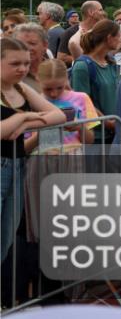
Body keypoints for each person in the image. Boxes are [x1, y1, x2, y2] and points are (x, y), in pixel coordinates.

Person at [1, 39, 65, 262]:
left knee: (6, 236)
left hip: (17, 167)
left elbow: (58, 115)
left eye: (26, 63)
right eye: (15, 63)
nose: (23, 69)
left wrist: (26, 125)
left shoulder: (22, 88)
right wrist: (24, 116)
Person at [24, 60, 99, 152]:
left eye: (60, 87)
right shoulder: (31, 103)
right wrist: (40, 136)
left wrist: (81, 127)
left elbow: (90, 141)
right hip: (42, 160)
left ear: (66, 79)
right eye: (48, 89)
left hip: (73, 158)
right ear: (37, 79)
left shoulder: (82, 98)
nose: (54, 94)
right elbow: (24, 147)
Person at [70, 19, 121, 144]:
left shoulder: (111, 62)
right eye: (119, 36)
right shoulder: (82, 66)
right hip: (95, 136)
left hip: (113, 133)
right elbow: (82, 101)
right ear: (109, 38)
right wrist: (107, 122)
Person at [12, 24, 48, 92]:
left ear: (45, 45)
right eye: (20, 44)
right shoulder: (8, 76)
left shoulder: (57, 70)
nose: (26, 48)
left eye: (32, 43)